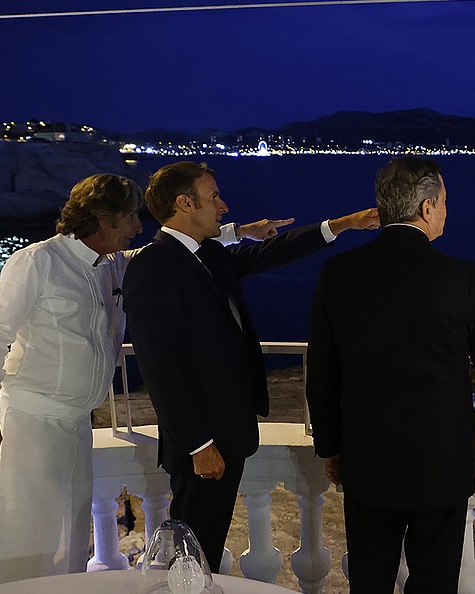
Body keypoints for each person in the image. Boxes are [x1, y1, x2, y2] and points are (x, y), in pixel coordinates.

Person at [0, 173, 288, 593]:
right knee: (12, 531)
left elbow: (170, 250)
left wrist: (238, 233)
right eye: (130, 218)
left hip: (74, 427)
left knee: (68, 534)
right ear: (103, 219)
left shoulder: (111, 264)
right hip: (27, 424)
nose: (137, 226)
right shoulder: (38, 261)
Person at [121, 161, 379, 572]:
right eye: (213, 197)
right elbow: (160, 366)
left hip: (226, 431)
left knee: (205, 543)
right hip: (202, 441)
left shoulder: (204, 254)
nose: (224, 206)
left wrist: (342, 224)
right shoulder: (154, 266)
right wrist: (198, 444)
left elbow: (266, 252)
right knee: (192, 547)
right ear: (184, 203)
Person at [306, 156, 475, 593]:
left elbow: (322, 368)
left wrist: (330, 446)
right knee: (434, 580)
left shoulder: (339, 272)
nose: (445, 211)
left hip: (365, 456)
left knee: (369, 578)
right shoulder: (461, 276)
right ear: (426, 209)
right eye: (444, 202)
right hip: (440, 460)